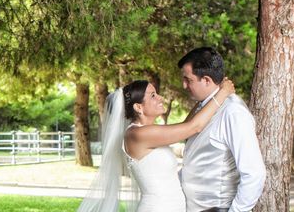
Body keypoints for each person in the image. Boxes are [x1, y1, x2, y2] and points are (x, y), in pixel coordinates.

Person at [77, 76, 235, 212]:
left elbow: (186, 124)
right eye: (153, 95)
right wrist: (223, 93)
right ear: (138, 107)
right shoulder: (137, 134)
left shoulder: (148, 132)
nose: (160, 98)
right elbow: (194, 127)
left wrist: (205, 98)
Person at [178, 47, 266, 212]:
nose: (183, 85)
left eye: (188, 80)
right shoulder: (203, 107)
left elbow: (254, 173)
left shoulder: (233, 112)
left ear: (206, 80)